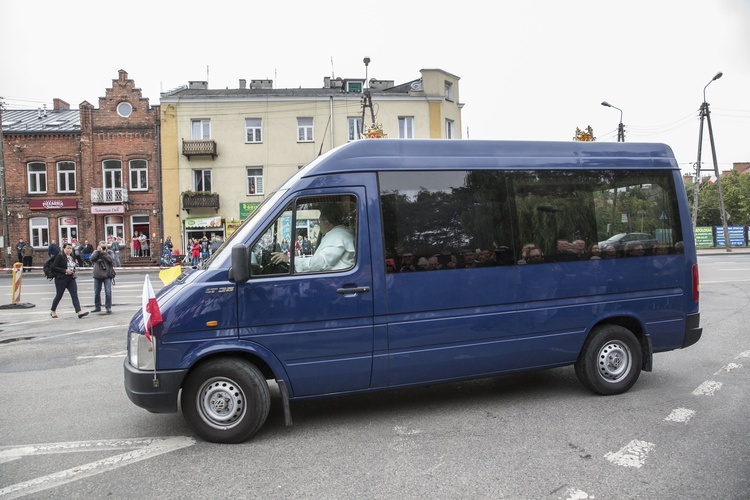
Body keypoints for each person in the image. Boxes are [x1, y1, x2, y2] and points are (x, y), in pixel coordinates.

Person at [271, 204, 355, 273]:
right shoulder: (339, 233)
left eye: (319, 221)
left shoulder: (338, 236)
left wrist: (289, 259)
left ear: (326, 222)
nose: (319, 225)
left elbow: (317, 264)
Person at [50, 243, 89, 319]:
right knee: (59, 295)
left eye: (70, 248)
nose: (69, 250)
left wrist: (73, 270)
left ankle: (79, 311)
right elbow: (53, 267)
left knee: (74, 294)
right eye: (67, 248)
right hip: (61, 278)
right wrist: (65, 270)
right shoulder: (60, 256)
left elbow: (72, 266)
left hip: (71, 278)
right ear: (63, 249)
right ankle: (53, 311)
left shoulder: (72, 257)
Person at [90, 241, 115, 314]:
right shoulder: (96, 252)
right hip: (97, 275)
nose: (103, 248)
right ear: (99, 246)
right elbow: (91, 259)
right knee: (96, 292)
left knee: (108, 292)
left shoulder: (110, 252)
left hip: (107, 275)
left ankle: (108, 307)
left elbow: (111, 260)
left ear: (107, 247)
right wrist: (98, 252)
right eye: (102, 246)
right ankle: (97, 307)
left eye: (105, 246)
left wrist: (105, 253)